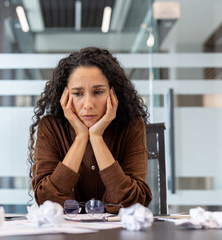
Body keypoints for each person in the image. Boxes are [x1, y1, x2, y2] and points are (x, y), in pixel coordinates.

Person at [28, 47, 152, 214]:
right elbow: (47, 201)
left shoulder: (132, 126)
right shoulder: (50, 126)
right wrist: (81, 137)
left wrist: (96, 137)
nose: (88, 104)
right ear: (65, 96)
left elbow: (132, 203)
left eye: (98, 92)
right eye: (78, 93)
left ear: (113, 93)